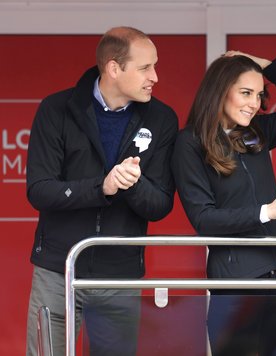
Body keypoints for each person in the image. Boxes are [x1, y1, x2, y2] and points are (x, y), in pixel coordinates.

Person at [25, 26, 178, 355]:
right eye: (145, 68)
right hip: (57, 271)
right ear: (113, 68)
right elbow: (40, 190)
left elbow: (160, 205)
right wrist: (102, 187)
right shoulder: (56, 109)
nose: (155, 76)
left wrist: (132, 184)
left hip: (119, 277)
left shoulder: (163, 118)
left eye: (155, 66)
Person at [171, 51, 276, 355]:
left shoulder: (257, 131)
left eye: (259, 95)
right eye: (245, 93)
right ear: (220, 90)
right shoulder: (189, 143)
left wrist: (265, 65)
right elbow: (204, 219)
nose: (254, 103)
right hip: (236, 280)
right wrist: (268, 211)